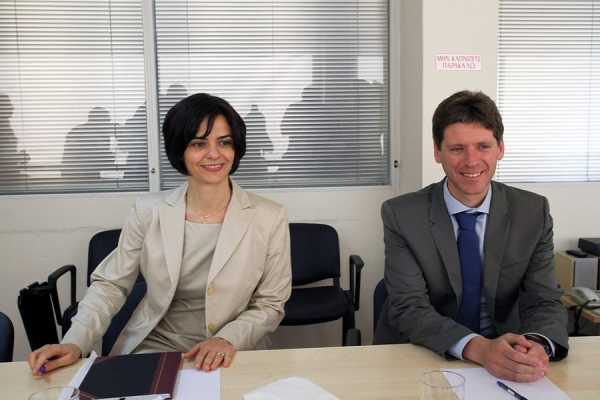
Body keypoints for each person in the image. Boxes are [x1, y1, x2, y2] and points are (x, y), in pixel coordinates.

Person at [29, 93, 292, 374]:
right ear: (180, 151)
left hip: (234, 348)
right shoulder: (148, 212)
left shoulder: (269, 216)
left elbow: (270, 303)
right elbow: (111, 285)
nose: (214, 154)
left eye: (224, 142)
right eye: (199, 144)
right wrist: (75, 342)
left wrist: (227, 339)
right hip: (157, 344)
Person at [374, 90, 568, 382]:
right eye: (457, 149)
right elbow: (409, 307)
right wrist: (479, 348)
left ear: (500, 148)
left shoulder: (532, 211)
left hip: (506, 354)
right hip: (425, 352)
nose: (471, 161)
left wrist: (536, 345)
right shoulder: (402, 215)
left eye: (483, 146)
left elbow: (544, 299)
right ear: (437, 152)